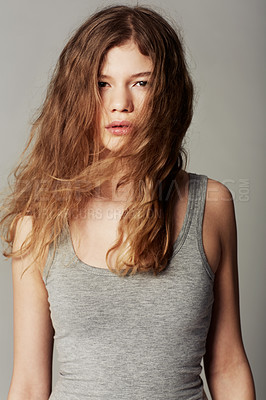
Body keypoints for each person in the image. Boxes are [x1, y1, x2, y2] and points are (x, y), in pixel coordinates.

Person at [1, 5, 255, 400]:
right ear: (77, 95)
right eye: (102, 83)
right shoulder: (37, 223)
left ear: (167, 93)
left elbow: (227, 364)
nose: (120, 103)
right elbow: (30, 384)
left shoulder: (213, 205)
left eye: (140, 83)